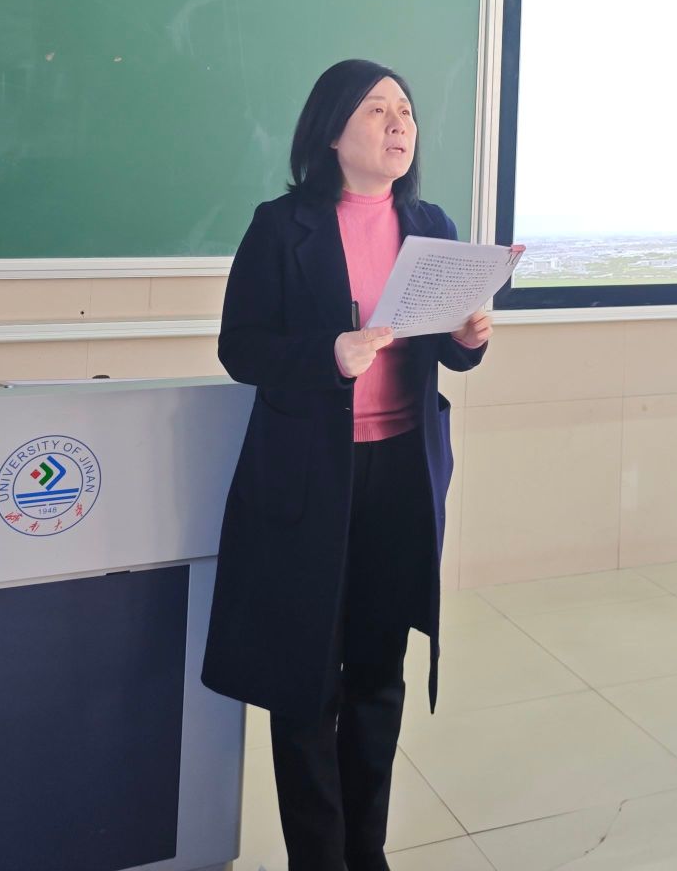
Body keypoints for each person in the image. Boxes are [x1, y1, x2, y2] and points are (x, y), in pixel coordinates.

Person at [201, 58, 490, 871]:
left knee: (377, 673)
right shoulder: (281, 225)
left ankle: (368, 852)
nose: (399, 124)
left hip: (400, 474)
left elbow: (443, 349)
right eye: (376, 110)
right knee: (304, 682)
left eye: (406, 111)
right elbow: (241, 348)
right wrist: (329, 353)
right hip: (308, 483)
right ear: (331, 131)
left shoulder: (429, 223)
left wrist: (467, 340)